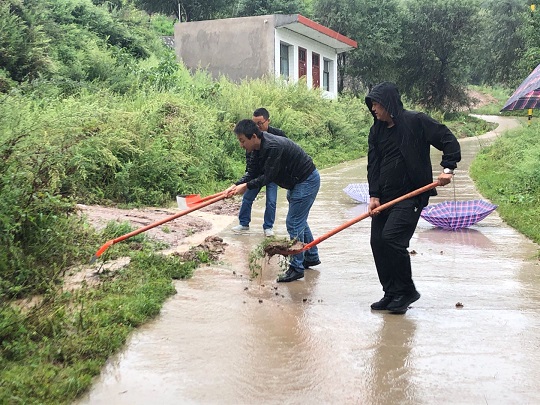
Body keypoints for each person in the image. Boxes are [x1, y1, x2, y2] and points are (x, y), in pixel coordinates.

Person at [365, 82, 461, 314]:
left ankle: (407, 291)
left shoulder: (416, 121)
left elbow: (448, 139)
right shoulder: (376, 130)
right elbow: (373, 164)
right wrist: (374, 194)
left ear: (389, 103)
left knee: (392, 239)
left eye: (377, 104)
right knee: (377, 242)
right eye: (372, 105)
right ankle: (391, 292)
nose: (374, 109)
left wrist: (448, 169)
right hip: (385, 198)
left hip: (411, 196)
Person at [226, 119, 321, 282]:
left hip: (306, 180)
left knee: (294, 222)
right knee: (300, 221)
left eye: (242, 141)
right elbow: (252, 172)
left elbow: (268, 176)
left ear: (253, 136)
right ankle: (311, 256)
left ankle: (296, 267)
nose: (241, 145)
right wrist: (235, 185)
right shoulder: (254, 149)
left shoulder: (272, 147)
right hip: (296, 182)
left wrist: (246, 186)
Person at [231, 108, 286, 237]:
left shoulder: (277, 136)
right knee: (247, 197)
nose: (257, 126)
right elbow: (250, 160)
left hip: (272, 174)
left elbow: (283, 156)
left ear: (268, 121)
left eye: (260, 123)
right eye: (254, 123)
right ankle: (244, 223)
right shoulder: (251, 137)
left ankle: (268, 227)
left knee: (271, 201)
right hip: (256, 173)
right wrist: (241, 182)